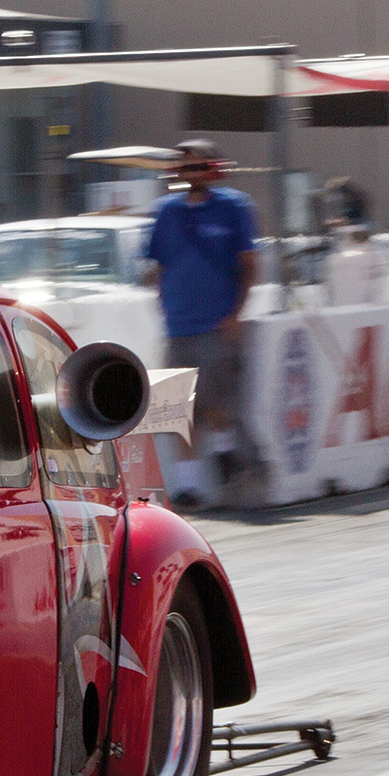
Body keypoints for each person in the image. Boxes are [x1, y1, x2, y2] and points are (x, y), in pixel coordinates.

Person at [142, 139, 259, 503]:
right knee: (177, 410)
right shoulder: (165, 212)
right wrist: (162, 302)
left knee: (216, 403)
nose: (191, 173)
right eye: (185, 167)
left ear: (213, 169)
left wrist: (235, 314)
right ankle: (189, 485)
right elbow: (157, 265)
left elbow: (249, 265)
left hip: (216, 324)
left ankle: (226, 458)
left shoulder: (234, 207)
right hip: (177, 326)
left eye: (198, 166)